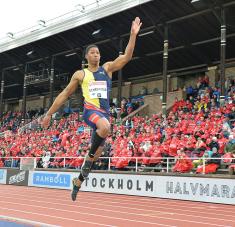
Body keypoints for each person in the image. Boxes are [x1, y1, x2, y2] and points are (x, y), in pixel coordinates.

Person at [41, 17, 142, 201]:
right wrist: (49, 114)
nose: (96, 55)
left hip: (104, 114)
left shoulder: (107, 69)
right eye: (93, 53)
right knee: (104, 128)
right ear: (87, 56)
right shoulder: (81, 74)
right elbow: (64, 94)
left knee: (97, 153)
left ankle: (78, 181)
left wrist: (133, 35)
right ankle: (88, 159)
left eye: (98, 53)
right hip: (90, 112)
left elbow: (127, 56)